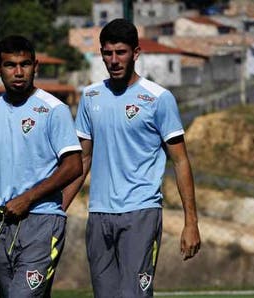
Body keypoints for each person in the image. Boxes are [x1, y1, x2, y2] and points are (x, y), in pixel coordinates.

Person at [63, 19, 201, 298]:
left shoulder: (159, 99)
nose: (113, 60)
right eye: (107, 53)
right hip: (99, 213)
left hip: (141, 212)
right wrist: (58, 207)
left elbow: (181, 161)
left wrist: (191, 222)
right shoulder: (90, 97)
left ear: (135, 53)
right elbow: (83, 160)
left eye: (121, 52)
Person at [0, 35, 83, 298]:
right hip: (1, 224)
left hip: (42, 222)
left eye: (25, 64)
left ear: (35, 66)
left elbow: (73, 166)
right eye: (10, 65)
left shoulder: (53, 110)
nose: (18, 72)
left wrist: (28, 198)